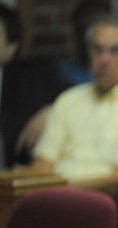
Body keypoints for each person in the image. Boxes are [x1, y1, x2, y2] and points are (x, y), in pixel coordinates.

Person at [22, 14, 118, 198]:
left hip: (103, 206)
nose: (104, 59)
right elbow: (42, 166)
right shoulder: (68, 100)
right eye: (97, 49)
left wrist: (57, 192)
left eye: (115, 51)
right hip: (50, 201)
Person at [0, 4, 68, 167]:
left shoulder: (35, 74)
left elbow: (79, 98)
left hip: (18, 180)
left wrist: (52, 111)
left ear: (12, 45)